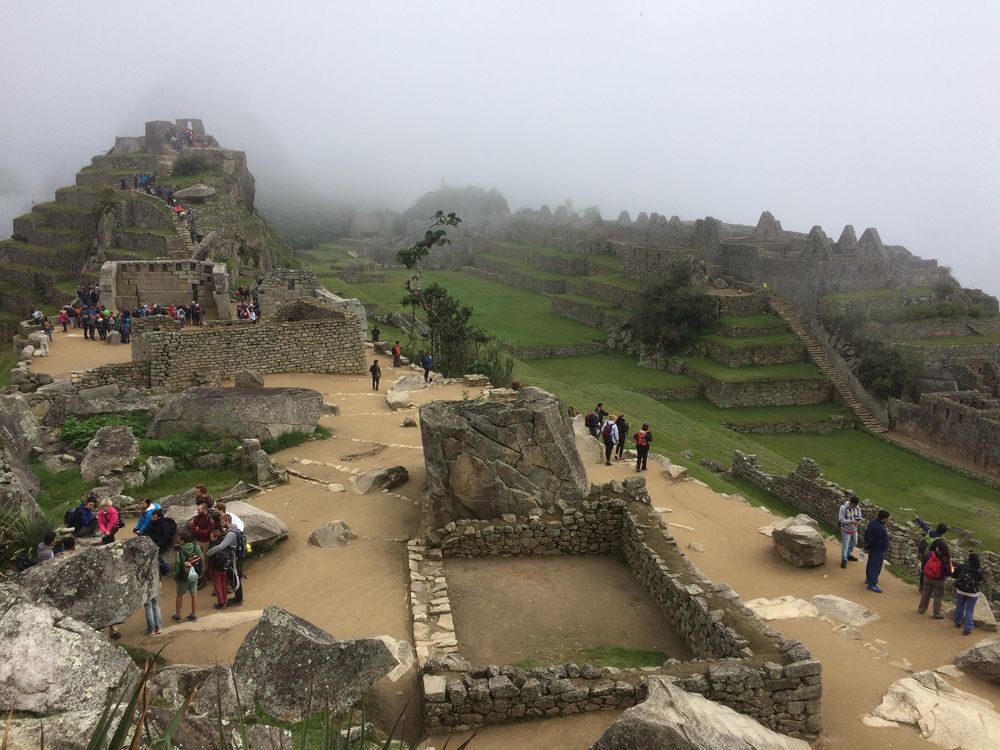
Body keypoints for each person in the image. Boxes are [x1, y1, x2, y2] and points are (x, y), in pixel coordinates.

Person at [206, 517, 239, 610]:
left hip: (217, 568)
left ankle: (221, 603)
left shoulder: (215, 546)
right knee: (224, 584)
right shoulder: (224, 542)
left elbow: (211, 557)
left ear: (215, 536)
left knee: (217, 585)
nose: (210, 538)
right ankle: (225, 600)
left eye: (211, 536)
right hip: (225, 567)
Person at [171, 530, 202, 622]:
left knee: (179, 595)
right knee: (194, 594)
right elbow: (201, 559)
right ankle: (193, 614)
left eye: (179, 539)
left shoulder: (180, 552)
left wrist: (175, 575)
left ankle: (178, 615)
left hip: (183, 576)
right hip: (194, 574)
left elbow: (177, 565)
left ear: (182, 541)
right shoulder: (196, 548)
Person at [952, 553, 985, 635]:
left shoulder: (962, 566)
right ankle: (967, 629)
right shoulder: (978, 570)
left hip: (961, 590)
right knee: (969, 610)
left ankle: (958, 622)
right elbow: (981, 580)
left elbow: (954, 575)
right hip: (973, 594)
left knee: (959, 606)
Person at [918, 539, 952, 618]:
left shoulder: (931, 554)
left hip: (928, 577)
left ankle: (921, 609)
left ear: (937, 548)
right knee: (938, 597)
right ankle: (936, 613)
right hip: (939, 580)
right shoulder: (946, 559)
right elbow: (948, 571)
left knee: (925, 593)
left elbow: (926, 562)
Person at [915, 518, 949, 590]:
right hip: (931, 558)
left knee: (923, 570)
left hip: (924, 554)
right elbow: (945, 550)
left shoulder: (929, 531)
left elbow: (924, 526)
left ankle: (921, 586)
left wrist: (918, 519)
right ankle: (926, 588)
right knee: (930, 571)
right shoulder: (939, 541)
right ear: (943, 532)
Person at [863, 510, 890, 592]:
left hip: (872, 549)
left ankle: (868, 578)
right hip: (878, 550)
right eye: (887, 518)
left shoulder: (872, 523)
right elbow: (875, 539)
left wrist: (867, 545)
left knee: (870, 563)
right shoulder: (880, 528)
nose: (888, 520)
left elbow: (867, 534)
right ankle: (872, 584)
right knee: (876, 566)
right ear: (884, 518)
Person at [838, 495, 863, 569]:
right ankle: (844, 559)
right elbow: (841, 519)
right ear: (851, 503)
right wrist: (850, 521)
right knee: (845, 545)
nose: (855, 507)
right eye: (854, 505)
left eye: (856, 505)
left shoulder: (857, 507)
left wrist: (858, 521)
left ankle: (849, 555)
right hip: (845, 530)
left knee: (854, 542)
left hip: (854, 530)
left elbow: (859, 517)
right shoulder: (843, 508)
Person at [143, 557, 162, 636]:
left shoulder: (141, 558)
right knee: (156, 605)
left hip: (146, 584)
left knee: (148, 606)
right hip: (155, 581)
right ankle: (158, 628)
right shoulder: (155, 555)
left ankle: (151, 629)